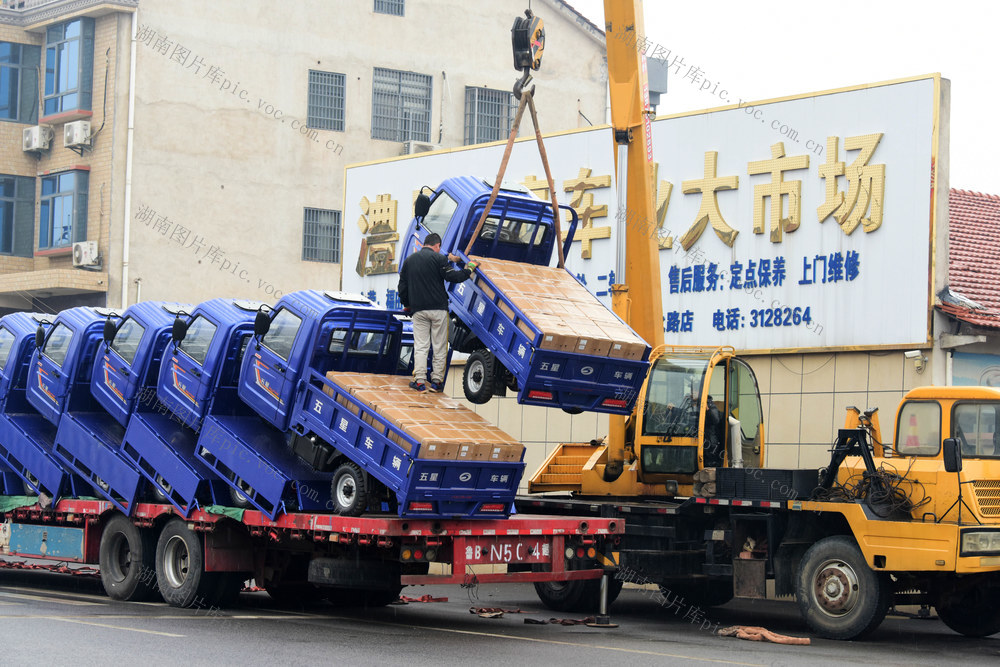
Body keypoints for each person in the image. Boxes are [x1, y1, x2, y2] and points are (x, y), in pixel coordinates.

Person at [397, 233, 477, 392]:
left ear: (424, 244)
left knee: (421, 346)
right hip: (438, 310)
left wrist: (407, 305)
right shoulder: (439, 259)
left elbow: (402, 288)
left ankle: (419, 381)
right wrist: (469, 269)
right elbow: (454, 277)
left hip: (419, 310)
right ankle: (436, 381)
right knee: (439, 346)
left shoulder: (409, 261)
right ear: (437, 245)